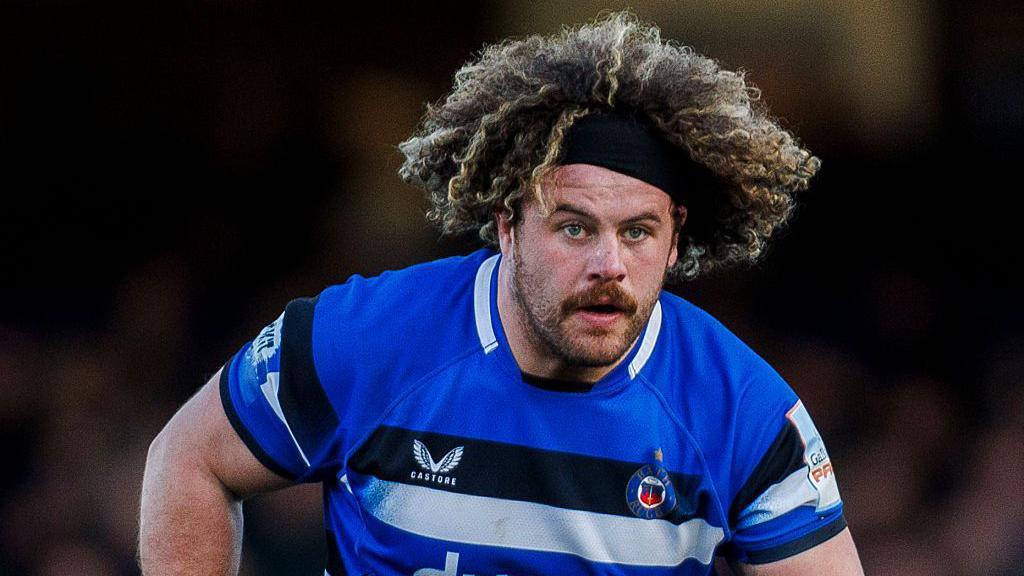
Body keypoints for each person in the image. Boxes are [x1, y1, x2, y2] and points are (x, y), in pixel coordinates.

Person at [139, 11, 863, 576]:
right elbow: (190, 461)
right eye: (575, 228)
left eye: (638, 233)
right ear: (507, 225)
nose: (609, 264)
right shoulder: (365, 338)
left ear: (676, 240)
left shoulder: (745, 412)